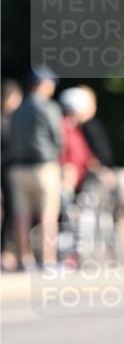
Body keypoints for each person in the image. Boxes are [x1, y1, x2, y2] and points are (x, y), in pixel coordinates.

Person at [8, 68, 62, 268]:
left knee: (21, 216)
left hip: (18, 168)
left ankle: (26, 259)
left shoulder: (17, 109)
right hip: (43, 167)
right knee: (48, 215)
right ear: (43, 84)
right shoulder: (49, 107)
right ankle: (48, 260)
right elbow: (58, 139)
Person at [1, 78, 23, 269]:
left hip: (9, 171)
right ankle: (6, 253)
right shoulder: (7, 122)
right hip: (6, 172)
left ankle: (9, 252)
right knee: (10, 212)